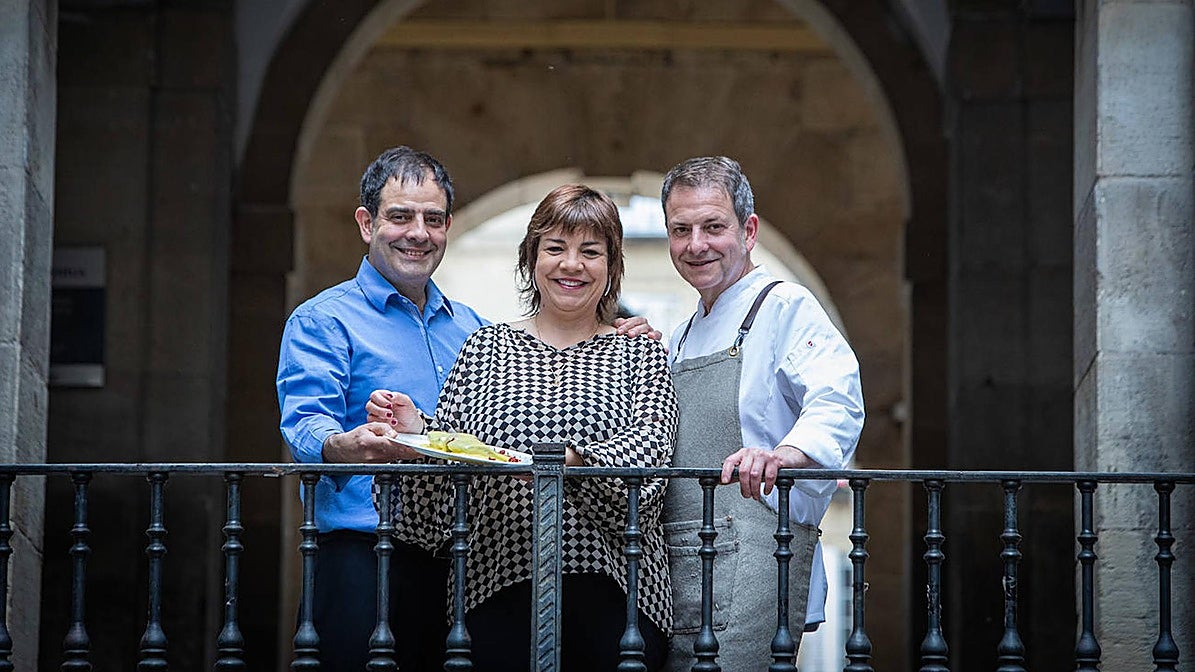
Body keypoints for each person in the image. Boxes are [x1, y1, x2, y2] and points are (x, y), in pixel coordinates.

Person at [277, 147, 661, 671]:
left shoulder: (473, 329)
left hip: (462, 564)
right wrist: (342, 445)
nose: (417, 232)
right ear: (367, 224)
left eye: (432, 219)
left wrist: (424, 431)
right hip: (366, 550)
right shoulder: (324, 319)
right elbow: (305, 422)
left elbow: (467, 442)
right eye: (400, 216)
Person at [367, 184, 678, 672]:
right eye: (555, 248)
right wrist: (418, 439)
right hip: (495, 585)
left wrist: (569, 463)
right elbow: (437, 506)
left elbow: (651, 467)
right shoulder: (485, 347)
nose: (571, 264)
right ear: (531, 258)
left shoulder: (641, 353)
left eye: (590, 252)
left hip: (616, 593)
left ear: (612, 266)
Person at [658, 156, 865, 671]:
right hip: (679, 566)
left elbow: (838, 394)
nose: (695, 244)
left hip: (754, 559)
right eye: (680, 230)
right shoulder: (680, 335)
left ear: (748, 231)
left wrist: (783, 455)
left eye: (713, 226)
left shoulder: (783, 306)